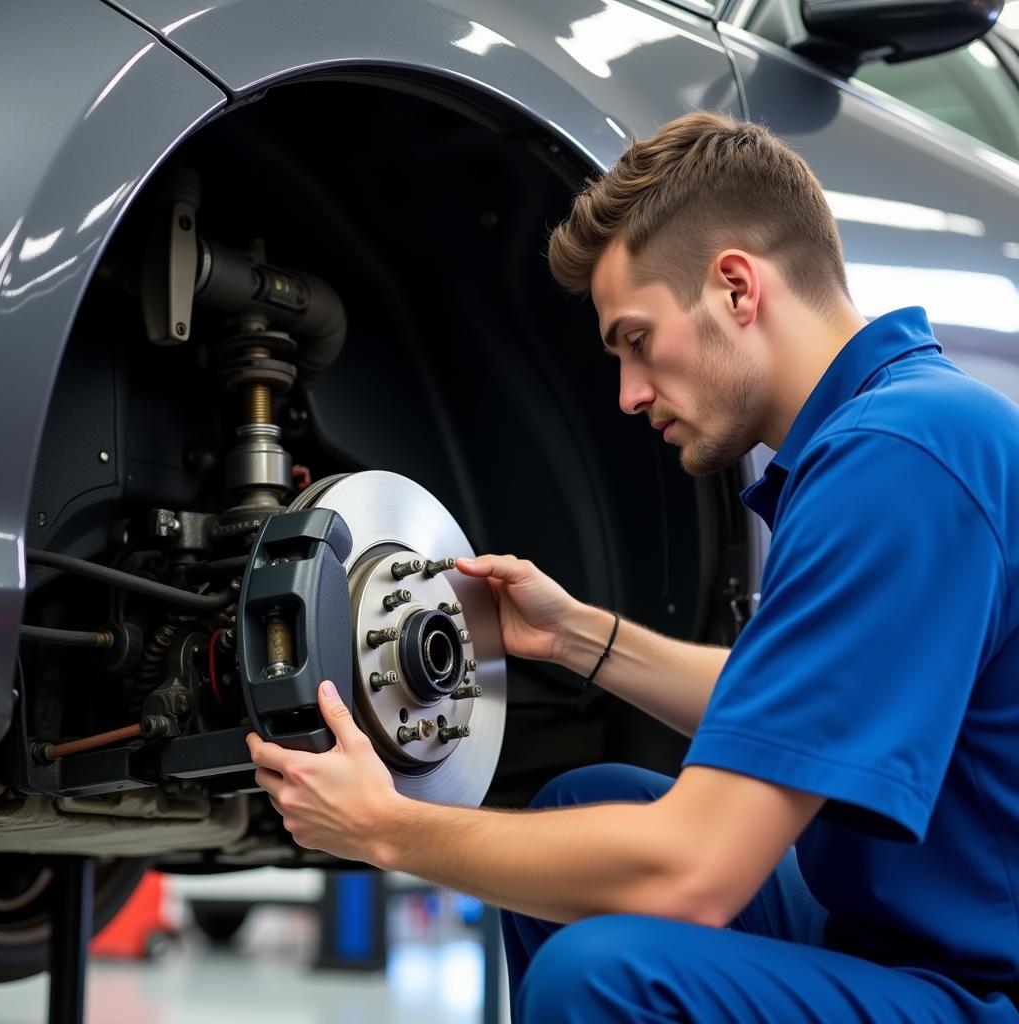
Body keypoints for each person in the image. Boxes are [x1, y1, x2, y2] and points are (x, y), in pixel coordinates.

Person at [247, 111, 1019, 1022]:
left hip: (981, 984)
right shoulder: (896, 431)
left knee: (601, 974)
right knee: (590, 799)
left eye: (637, 340)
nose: (628, 394)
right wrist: (579, 638)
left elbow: (694, 874)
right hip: (908, 926)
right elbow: (795, 702)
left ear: (737, 287)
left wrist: (387, 828)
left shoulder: (898, 460)